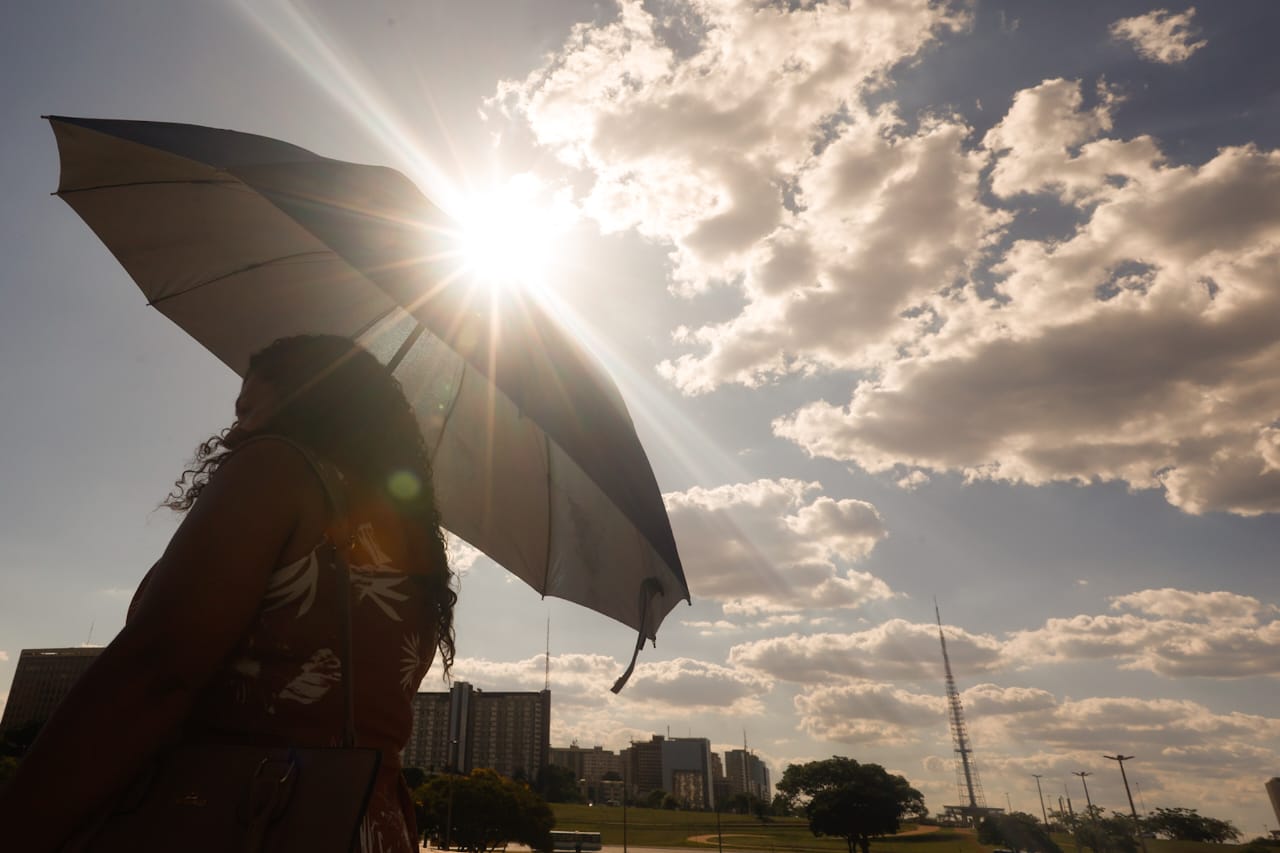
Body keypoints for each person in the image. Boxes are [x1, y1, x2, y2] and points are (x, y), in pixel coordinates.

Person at [0, 335, 455, 853]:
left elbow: (157, 670)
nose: (239, 425)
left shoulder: (277, 467)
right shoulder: (416, 544)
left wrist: (18, 825)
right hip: (363, 823)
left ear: (305, 397)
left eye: (248, 405)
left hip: (239, 811)